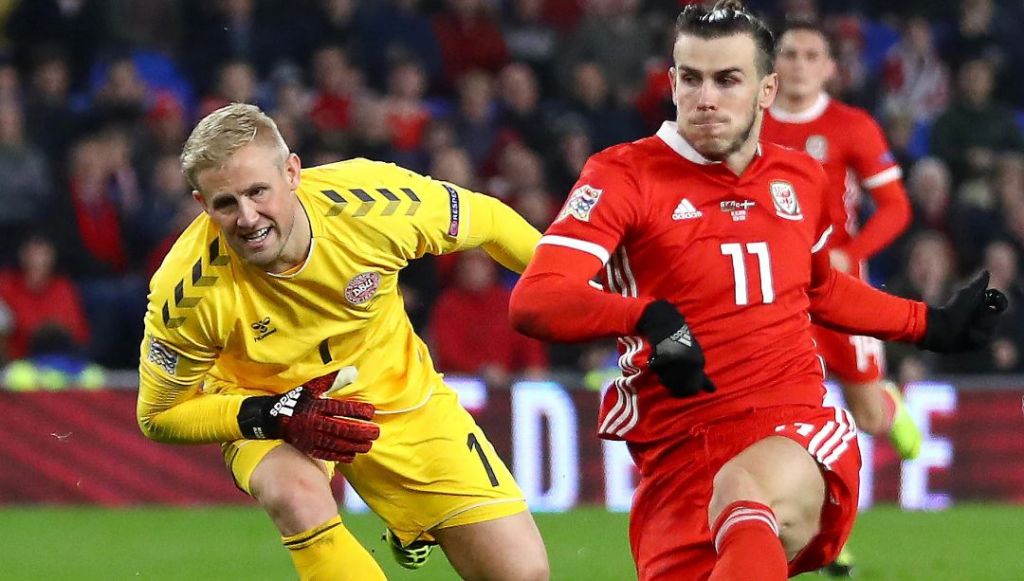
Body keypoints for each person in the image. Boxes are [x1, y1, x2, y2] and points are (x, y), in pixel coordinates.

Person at [508, 2, 1007, 580]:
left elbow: (819, 288)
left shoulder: (801, 177)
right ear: (672, 83)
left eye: (727, 79)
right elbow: (536, 299)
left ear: (766, 90)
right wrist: (648, 318)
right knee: (728, 508)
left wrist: (929, 324)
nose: (706, 98)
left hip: (794, 429)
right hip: (676, 456)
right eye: (691, 79)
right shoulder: (623, 175)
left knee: (742, 487)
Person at [136, 103, 549, 581]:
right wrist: (269, 415)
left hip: (394, 393)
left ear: (292, 173)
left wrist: (565, 287)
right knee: (295, 495)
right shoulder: (185, 292)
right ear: (202, 203)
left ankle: (411, 523)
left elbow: (489, 221)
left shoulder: (374, 202)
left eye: (257, 192)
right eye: (226, 203)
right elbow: (157, 416)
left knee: (522, 575)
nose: (247, 218)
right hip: (267, 405)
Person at [761, 20, 921, 575]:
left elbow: (896, 207)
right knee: (783, 416)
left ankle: (889, 405)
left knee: (868, 416)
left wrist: (852, 253)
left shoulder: (852, 125)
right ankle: (819, 536)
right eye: (790, 54)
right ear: (773, 64)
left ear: (831, 67)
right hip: (772, 292)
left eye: (812, 55)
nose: (799, 65)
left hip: (838, 289)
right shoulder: (751, 122)